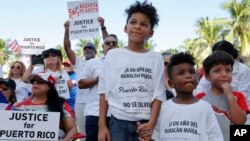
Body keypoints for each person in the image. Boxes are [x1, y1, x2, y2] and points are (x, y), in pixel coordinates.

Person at [98, 1, 165, 141]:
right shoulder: (113, 55)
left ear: (151, 33)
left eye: (144, 24)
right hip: (118, 123)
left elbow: (158, 95)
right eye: (133, 22)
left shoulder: (156, 58)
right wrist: (102, 126)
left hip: (146, 124)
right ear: (125, 27)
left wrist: (151, 125)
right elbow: (104, 90)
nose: (137, 27)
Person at [148, 52, 223, 141]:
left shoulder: (205, 107)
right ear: (171, 83)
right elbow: (156, 136)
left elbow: (215, 137)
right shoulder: (164, 107)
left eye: (191, 72)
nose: (188, 76)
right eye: (181, 73)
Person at [64, 16, 109, 140]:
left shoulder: (102, 61)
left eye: (91, 48)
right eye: (85, 48)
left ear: (95, 52)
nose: (88, 49)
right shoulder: (79, 62)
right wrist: (67, 30)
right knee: (84, 134)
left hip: (99, 103)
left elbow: (109, 44)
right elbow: (67, 48)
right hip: (81, 103)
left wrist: (103, 27)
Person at [196, 51, 249, 141]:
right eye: (217, 71)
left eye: (228, 70)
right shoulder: (200, 98)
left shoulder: (238, 96)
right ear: (207, 76)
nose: (224, 74)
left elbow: (239, 122)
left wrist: (230, 95)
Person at [15, 73, 78, 140]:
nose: (35, 83)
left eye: (40, 81)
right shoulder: (19, 106)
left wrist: (66, 139)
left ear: (49, 86)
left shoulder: (62, 105)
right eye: (33, 81)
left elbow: (72, 128)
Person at [78, 34, 118, 141]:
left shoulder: (124, 64)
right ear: (103, 47)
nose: (111, 45)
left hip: (118, 115)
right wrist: (98, 79)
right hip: (94, 113)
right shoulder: (93, 62)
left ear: (118, 47)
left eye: (114, 43)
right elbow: (80, 84)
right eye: (108, 43)